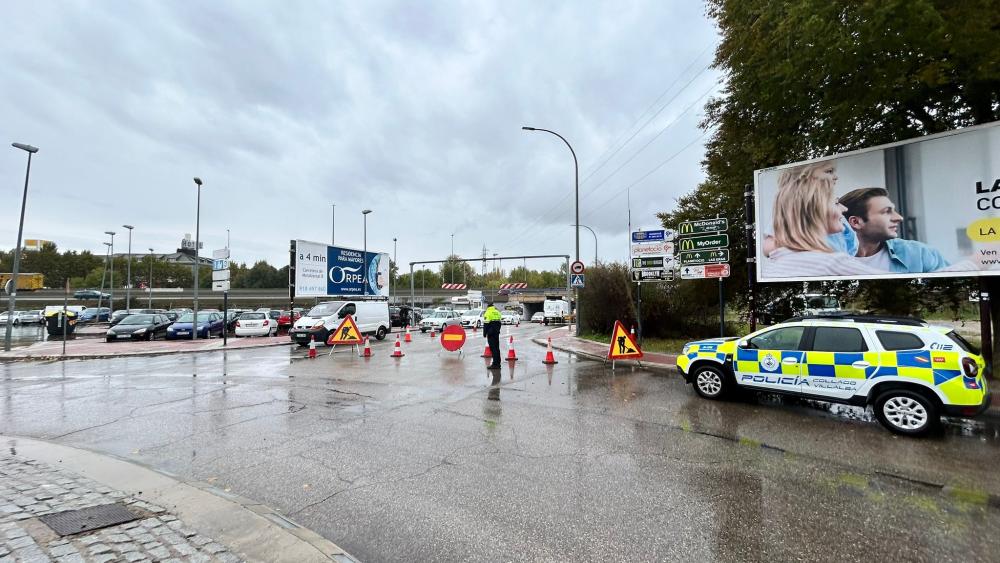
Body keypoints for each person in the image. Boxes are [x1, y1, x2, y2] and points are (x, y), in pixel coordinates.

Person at [762, 167, 886, 278]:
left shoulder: (777, 266)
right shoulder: (826, 261)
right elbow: (768, 247)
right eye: (828, 171)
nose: (843, 209)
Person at [838, 187, 950, 273]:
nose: (899, 218)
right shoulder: (828, 262)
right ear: (856, 222)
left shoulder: (921, 254)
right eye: (887, 211)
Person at [483, 301, 503, 370]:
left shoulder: (488, 312)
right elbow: (500, 322)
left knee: (493, 349)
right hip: (496, 333)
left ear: (488, 306)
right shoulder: (497, 312)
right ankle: (498, 363)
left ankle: (495, 364)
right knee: (497, 348)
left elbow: (486, 324)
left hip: (491, 334)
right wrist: (497, 330)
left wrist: (484, 333)